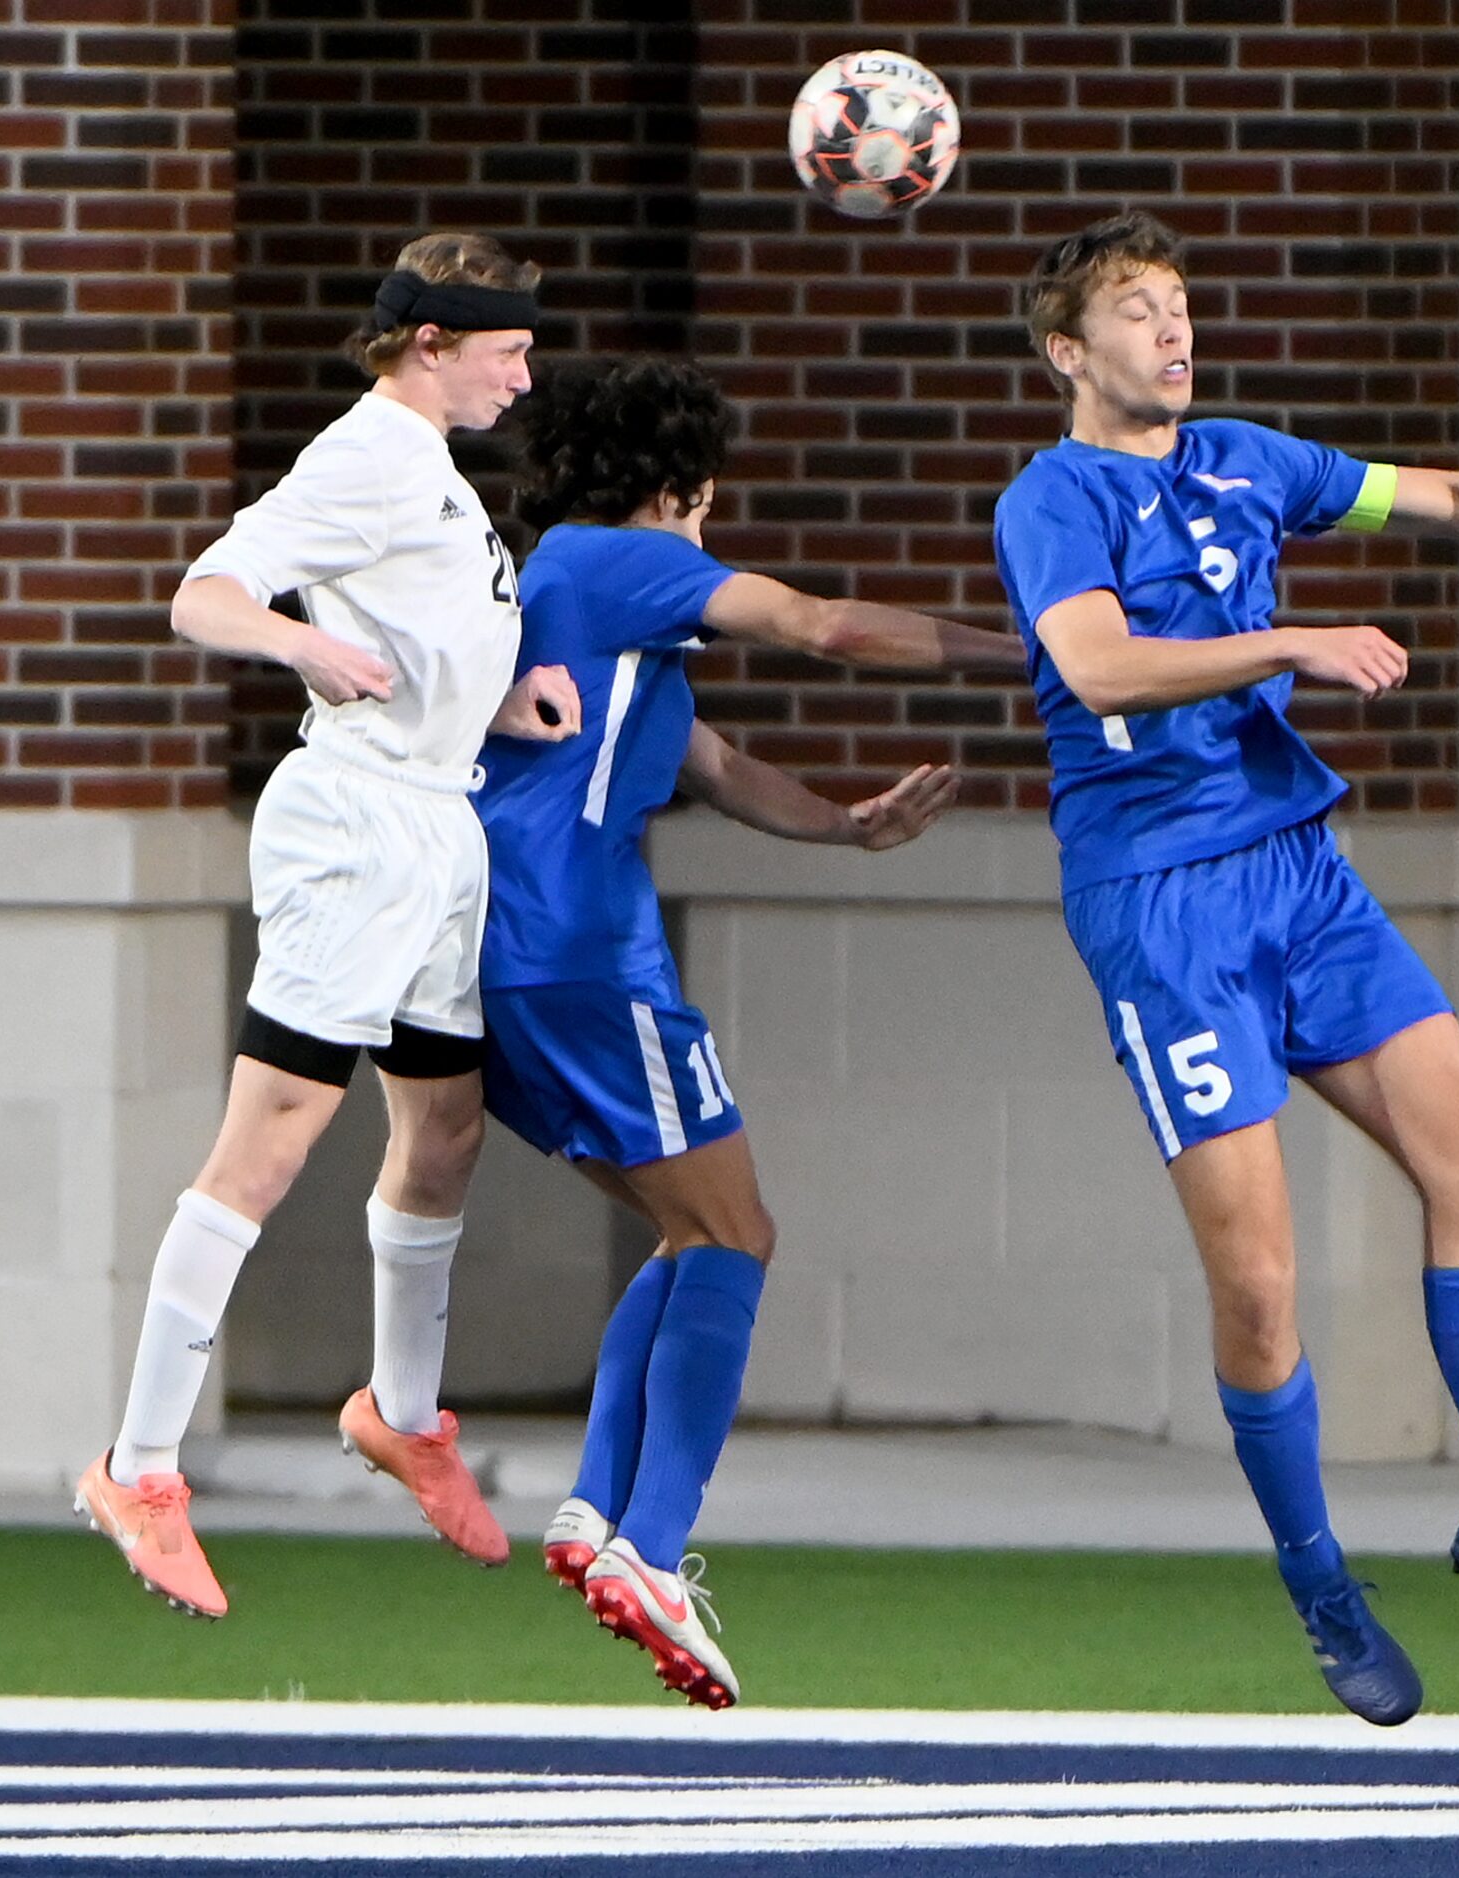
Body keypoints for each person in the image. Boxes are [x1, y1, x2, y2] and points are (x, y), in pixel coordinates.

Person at [992, 210, 1459, 1727]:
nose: (1173, 333)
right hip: (1162, 906)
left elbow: (1444, 494)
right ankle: (1322, 1582)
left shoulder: (1248, 456)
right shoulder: (1055, 499)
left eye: (1182, 305)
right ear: (1071, 351)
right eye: (1137, 312)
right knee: (1261, 1286)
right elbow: (1099, 666)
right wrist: (1291, 644)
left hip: (1299, 874)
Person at [477, 358, 1025, 1708]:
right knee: (739, 1232)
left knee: (692, 1226)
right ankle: (652, 1543)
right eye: (707, 500)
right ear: (675, 487)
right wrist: (1041, 655)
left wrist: (846, 823)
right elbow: (823, 624)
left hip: (503, 957)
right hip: (584, 956)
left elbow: (716, 768)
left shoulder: (572, 592)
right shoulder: (623, 560)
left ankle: (600, 1513)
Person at [73, 233, 583, 1619]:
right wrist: (301, 643)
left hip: (436, 824)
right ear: (432, 344)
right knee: (274, 1141)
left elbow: (415, 628)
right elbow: (207, 594)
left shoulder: (431, 474)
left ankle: (401, 1413)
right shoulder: (367, 451)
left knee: (445, 1128)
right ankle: (141, 1467)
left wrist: (489, 699)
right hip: (352, 829)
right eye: (509, 348)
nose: (526, 375)